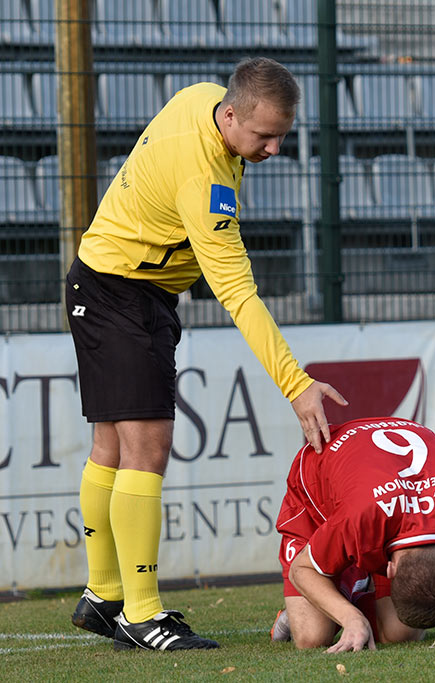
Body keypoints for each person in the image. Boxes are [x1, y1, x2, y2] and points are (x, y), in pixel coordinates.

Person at [64, 57, 347, 652]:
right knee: (148, 447)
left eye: (281, 136)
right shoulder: (207, 181)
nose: (272, 148)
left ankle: (102, 594)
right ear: (230, 114)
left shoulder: (200, 97)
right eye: (263, 135)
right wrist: (296, 384)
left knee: (111, 445)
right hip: (123, 292)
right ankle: (140, 615)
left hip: (109, 281)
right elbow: (237, 293)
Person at [271, 417, 435, 652]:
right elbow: (301, 569)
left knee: (401, 635)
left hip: (375, 496)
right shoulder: (359, 519)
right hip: (319, 483)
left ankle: (348, 585)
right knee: (313, 637)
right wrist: (351, 618)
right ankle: (335, 590)